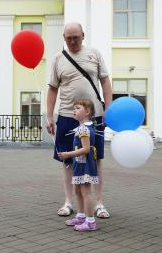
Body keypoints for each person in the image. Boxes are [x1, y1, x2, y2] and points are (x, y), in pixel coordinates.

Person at [46, 22, 112, 218]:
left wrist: (108, 109)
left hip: (94, 117)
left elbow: (105, 81)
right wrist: (50, 116)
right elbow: (52, 89)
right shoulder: (58, 58)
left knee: (96, 158)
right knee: (67, 160)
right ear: (64, 38)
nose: (73, 41)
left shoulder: (95, 54)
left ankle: (99, 203)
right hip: (67, 116)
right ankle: (68, 202)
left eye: (76, 37)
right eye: (69, 38)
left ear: (83, 35)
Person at [58, 99, 99, 231]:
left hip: (85, 165)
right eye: (73, 108)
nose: (74, 111)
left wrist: (68, 154)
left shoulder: (84, 129)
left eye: (77, 108)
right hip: (79, 164)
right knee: (77, 191)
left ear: (87, 112)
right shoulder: (81, 128)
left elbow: (86, 149)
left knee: (85, 192)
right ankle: (81, 216)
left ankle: (90, 221)